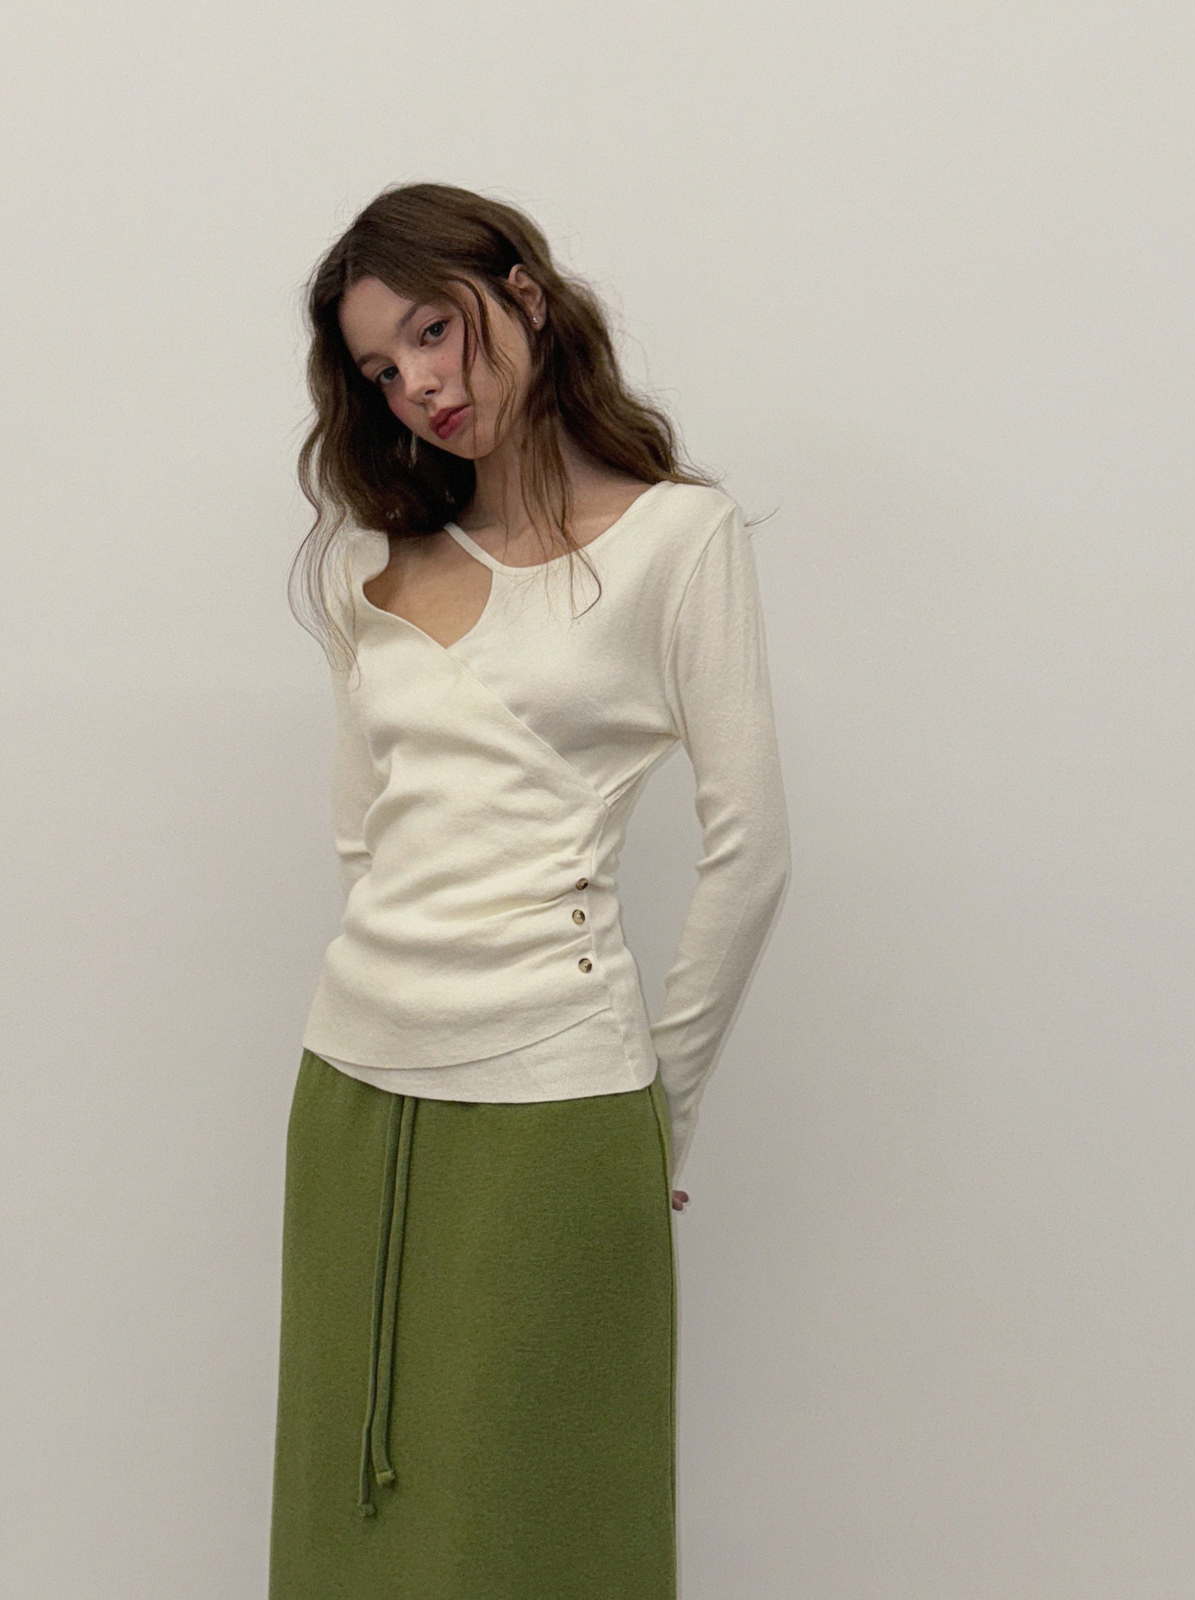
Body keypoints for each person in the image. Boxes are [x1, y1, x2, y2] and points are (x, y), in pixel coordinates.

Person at [269, 180, 791, 1600]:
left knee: (545, 1520)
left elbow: (752, 847)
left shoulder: (679, 540)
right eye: (382, 370)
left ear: (525, 295)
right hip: (350, 1087)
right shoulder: (375, 572)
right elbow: (364, 845)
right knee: (347, 1515)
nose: (420, 385)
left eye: (433, 331)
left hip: (559, 1092)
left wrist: (663, 1111)